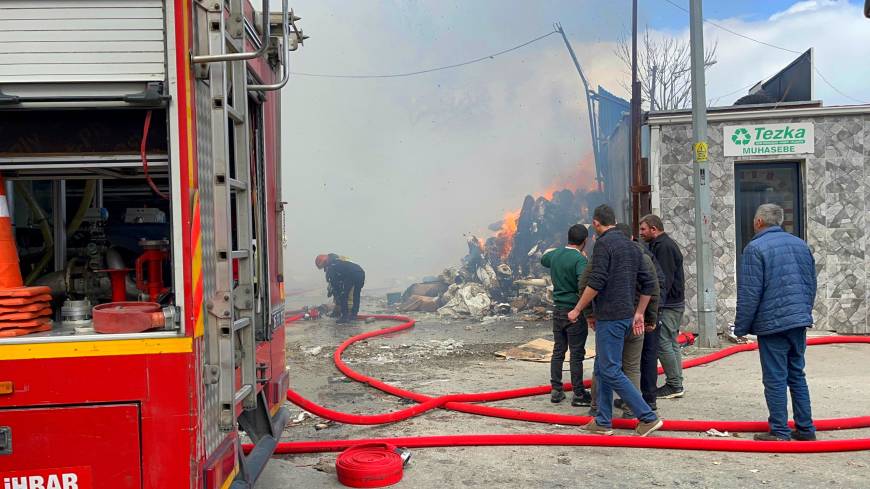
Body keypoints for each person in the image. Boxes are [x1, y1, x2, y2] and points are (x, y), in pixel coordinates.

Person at [568, 205, 663, 437]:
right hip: (627, 316)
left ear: (596, 223)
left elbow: (595, 280)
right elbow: (650, 284)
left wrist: (579, 309)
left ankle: (647, 417)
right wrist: (640, 312)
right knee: (602, 368)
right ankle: (602, 420)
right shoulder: (632, 246)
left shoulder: (603, 244)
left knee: (610, 369)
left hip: (610, 317)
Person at [733, 203, 817, 442]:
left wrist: (741, 327)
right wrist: (803, 313)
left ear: (759, 222)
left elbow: (750, 293)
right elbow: (811, 284)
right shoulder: (801, 245)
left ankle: (779, 431)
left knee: (775, 378)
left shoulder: (755, 248)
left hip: (772, 324)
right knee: (796, 374)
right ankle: (806, 428)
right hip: (798, 321)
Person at [584, 223, 662, 418]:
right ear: (632, 238)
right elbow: (652, 289)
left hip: (613, 318)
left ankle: (601, 410)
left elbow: (586, 283)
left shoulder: (604, 254)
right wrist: (648, 317)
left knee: (605, 366)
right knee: (630, 367)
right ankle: (627, 412)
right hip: (636, 320)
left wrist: (587, 312)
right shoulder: (641, 256)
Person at [540, 224, 593, 407]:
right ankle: (578, 393)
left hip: (558, 310)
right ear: (584, 241)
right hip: (574, 311)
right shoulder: (580, 260)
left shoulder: (556, 254)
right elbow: (583, 284)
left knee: (558, 350)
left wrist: (559, 249)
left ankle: (556, 390)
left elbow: (544, 258)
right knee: (576, 354)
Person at [639, 214, 686, 400]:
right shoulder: (661, 245)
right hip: (673, 303)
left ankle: (674, 384)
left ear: (654, 229)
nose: (641, 233)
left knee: (663, 343)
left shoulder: (664, 247)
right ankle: (676, 382)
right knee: (671, 343)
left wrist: (655, 306)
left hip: (668, 305)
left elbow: (662, 280)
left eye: (643, 229)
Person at [315, 254, 366, 324]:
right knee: (356, 294)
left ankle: (344, 317)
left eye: (324, 267)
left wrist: (334, 290)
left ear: (325, 262)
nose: (325, 269)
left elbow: (335, 282)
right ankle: (354, 315)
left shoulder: (332, 265)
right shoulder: (338, 260)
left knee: (343, 295)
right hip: (360, 272)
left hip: (351, 274)